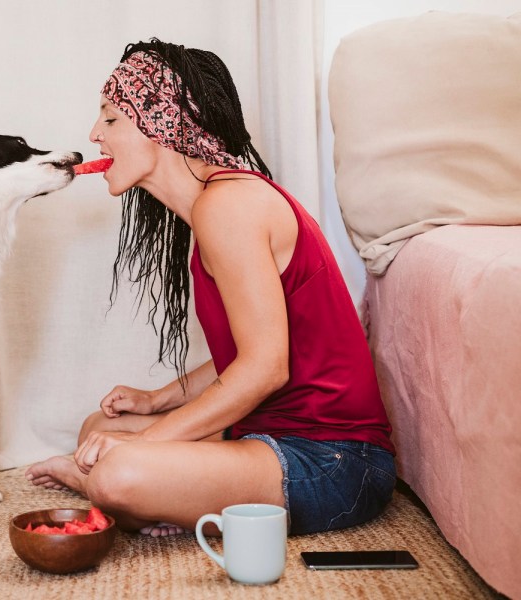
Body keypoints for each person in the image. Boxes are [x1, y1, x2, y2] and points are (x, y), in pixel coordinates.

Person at [27, 38, 396, 537]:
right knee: (99, 430)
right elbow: (252, 353)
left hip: (335, 463)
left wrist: (148, 444)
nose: (95, 134)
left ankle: (139, 496)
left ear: (164, 122)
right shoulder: (216, 207)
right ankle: (159, 496)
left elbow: (266, 368)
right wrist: (157, 401)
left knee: (118, 469)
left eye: (112, 118)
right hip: (269, 435)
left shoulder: (228, 208)